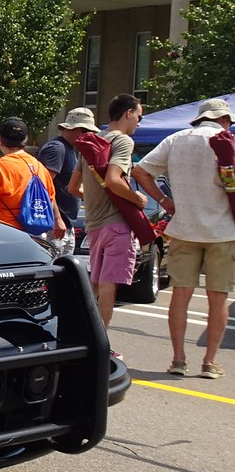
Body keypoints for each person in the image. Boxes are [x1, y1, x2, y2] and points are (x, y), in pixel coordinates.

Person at [132, 97, 235, 379]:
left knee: (181, 294)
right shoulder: (228, 140)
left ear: (199, 118)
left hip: (184, 227)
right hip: (222, 231)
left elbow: (140, 170)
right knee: (218, 297)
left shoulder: (176, 139)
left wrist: (164, 200)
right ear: (224, 120)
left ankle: (178, 359)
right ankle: (209, 363)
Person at [67, 93, 147, 345]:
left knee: (96, 285)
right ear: (127, 113)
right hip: (117, 226)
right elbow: (113, 179)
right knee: (110, 286)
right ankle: (101, 343)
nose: (139, 122)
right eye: (139, 116)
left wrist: (92, 199)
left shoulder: (92, 142)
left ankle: (85, 335)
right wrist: (137, 199)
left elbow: (72, 188)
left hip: (94, 225)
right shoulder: (122, 141)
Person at [0, 118, 65, 239]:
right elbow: (50, 198)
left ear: (0, 139)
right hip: (35, 237)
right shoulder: (39, 167)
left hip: (3, 235)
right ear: (25, 140)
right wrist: (58, 220)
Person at [37, 107, 98, 254]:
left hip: (66, 225)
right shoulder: (57, 148)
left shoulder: (69, 149)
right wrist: (57, 219)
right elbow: (42, 186)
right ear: (77, 129)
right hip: (54, 227)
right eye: (87, 131)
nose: (90, 136)